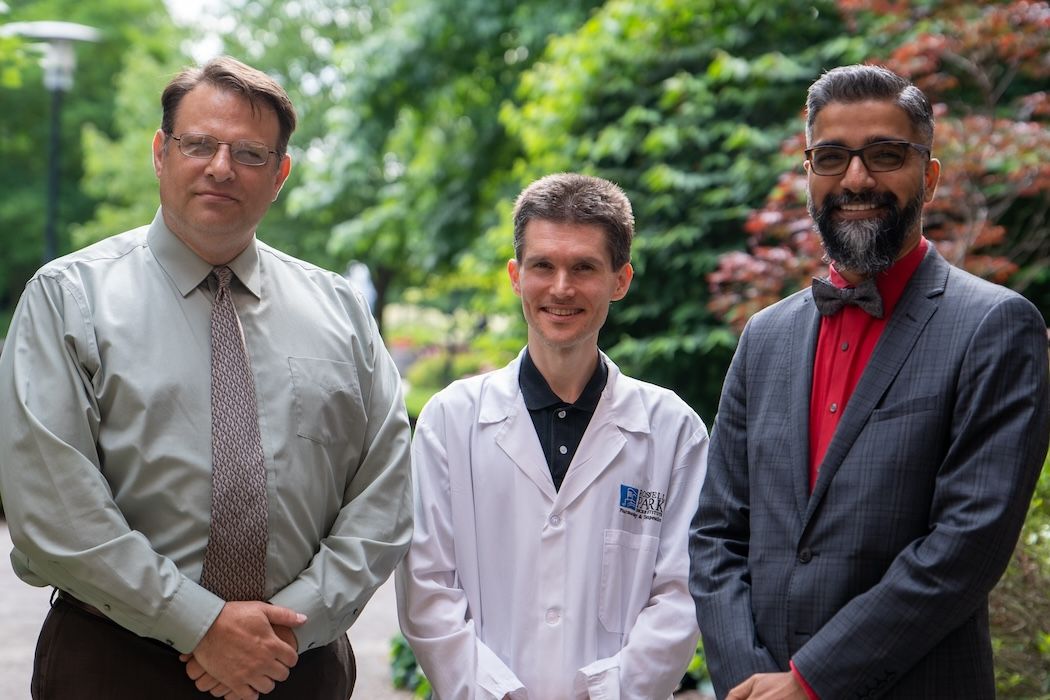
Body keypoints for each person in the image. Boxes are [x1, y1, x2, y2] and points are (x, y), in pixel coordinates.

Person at [0, 56, 413, 700]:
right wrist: (199, 624)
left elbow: (385, 492)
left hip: (296, 663)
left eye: (249, 153)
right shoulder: (68, 298)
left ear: (279, 175)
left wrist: (283, 632)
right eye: (200, 144)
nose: (221, 167)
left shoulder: (340, 311)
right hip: (114, 659)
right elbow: (54, 509)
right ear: (161, 152)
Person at [689, 63, 1050, 700]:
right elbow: (717, 533)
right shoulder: (763, 338)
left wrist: (809, 683)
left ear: (929, 177)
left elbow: (966, 546)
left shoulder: (995, 327)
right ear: (808, 175)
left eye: (885, 154)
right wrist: (750, 680)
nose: (856, 178)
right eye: (831, 157)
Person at [395, 173, 708, 699]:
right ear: (517, 276)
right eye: (543, 266)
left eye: (584, 267)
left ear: (620, 279)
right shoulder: (450, 421)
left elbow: (681, 594)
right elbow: (427, 589)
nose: (561, 288)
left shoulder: (673, 432)